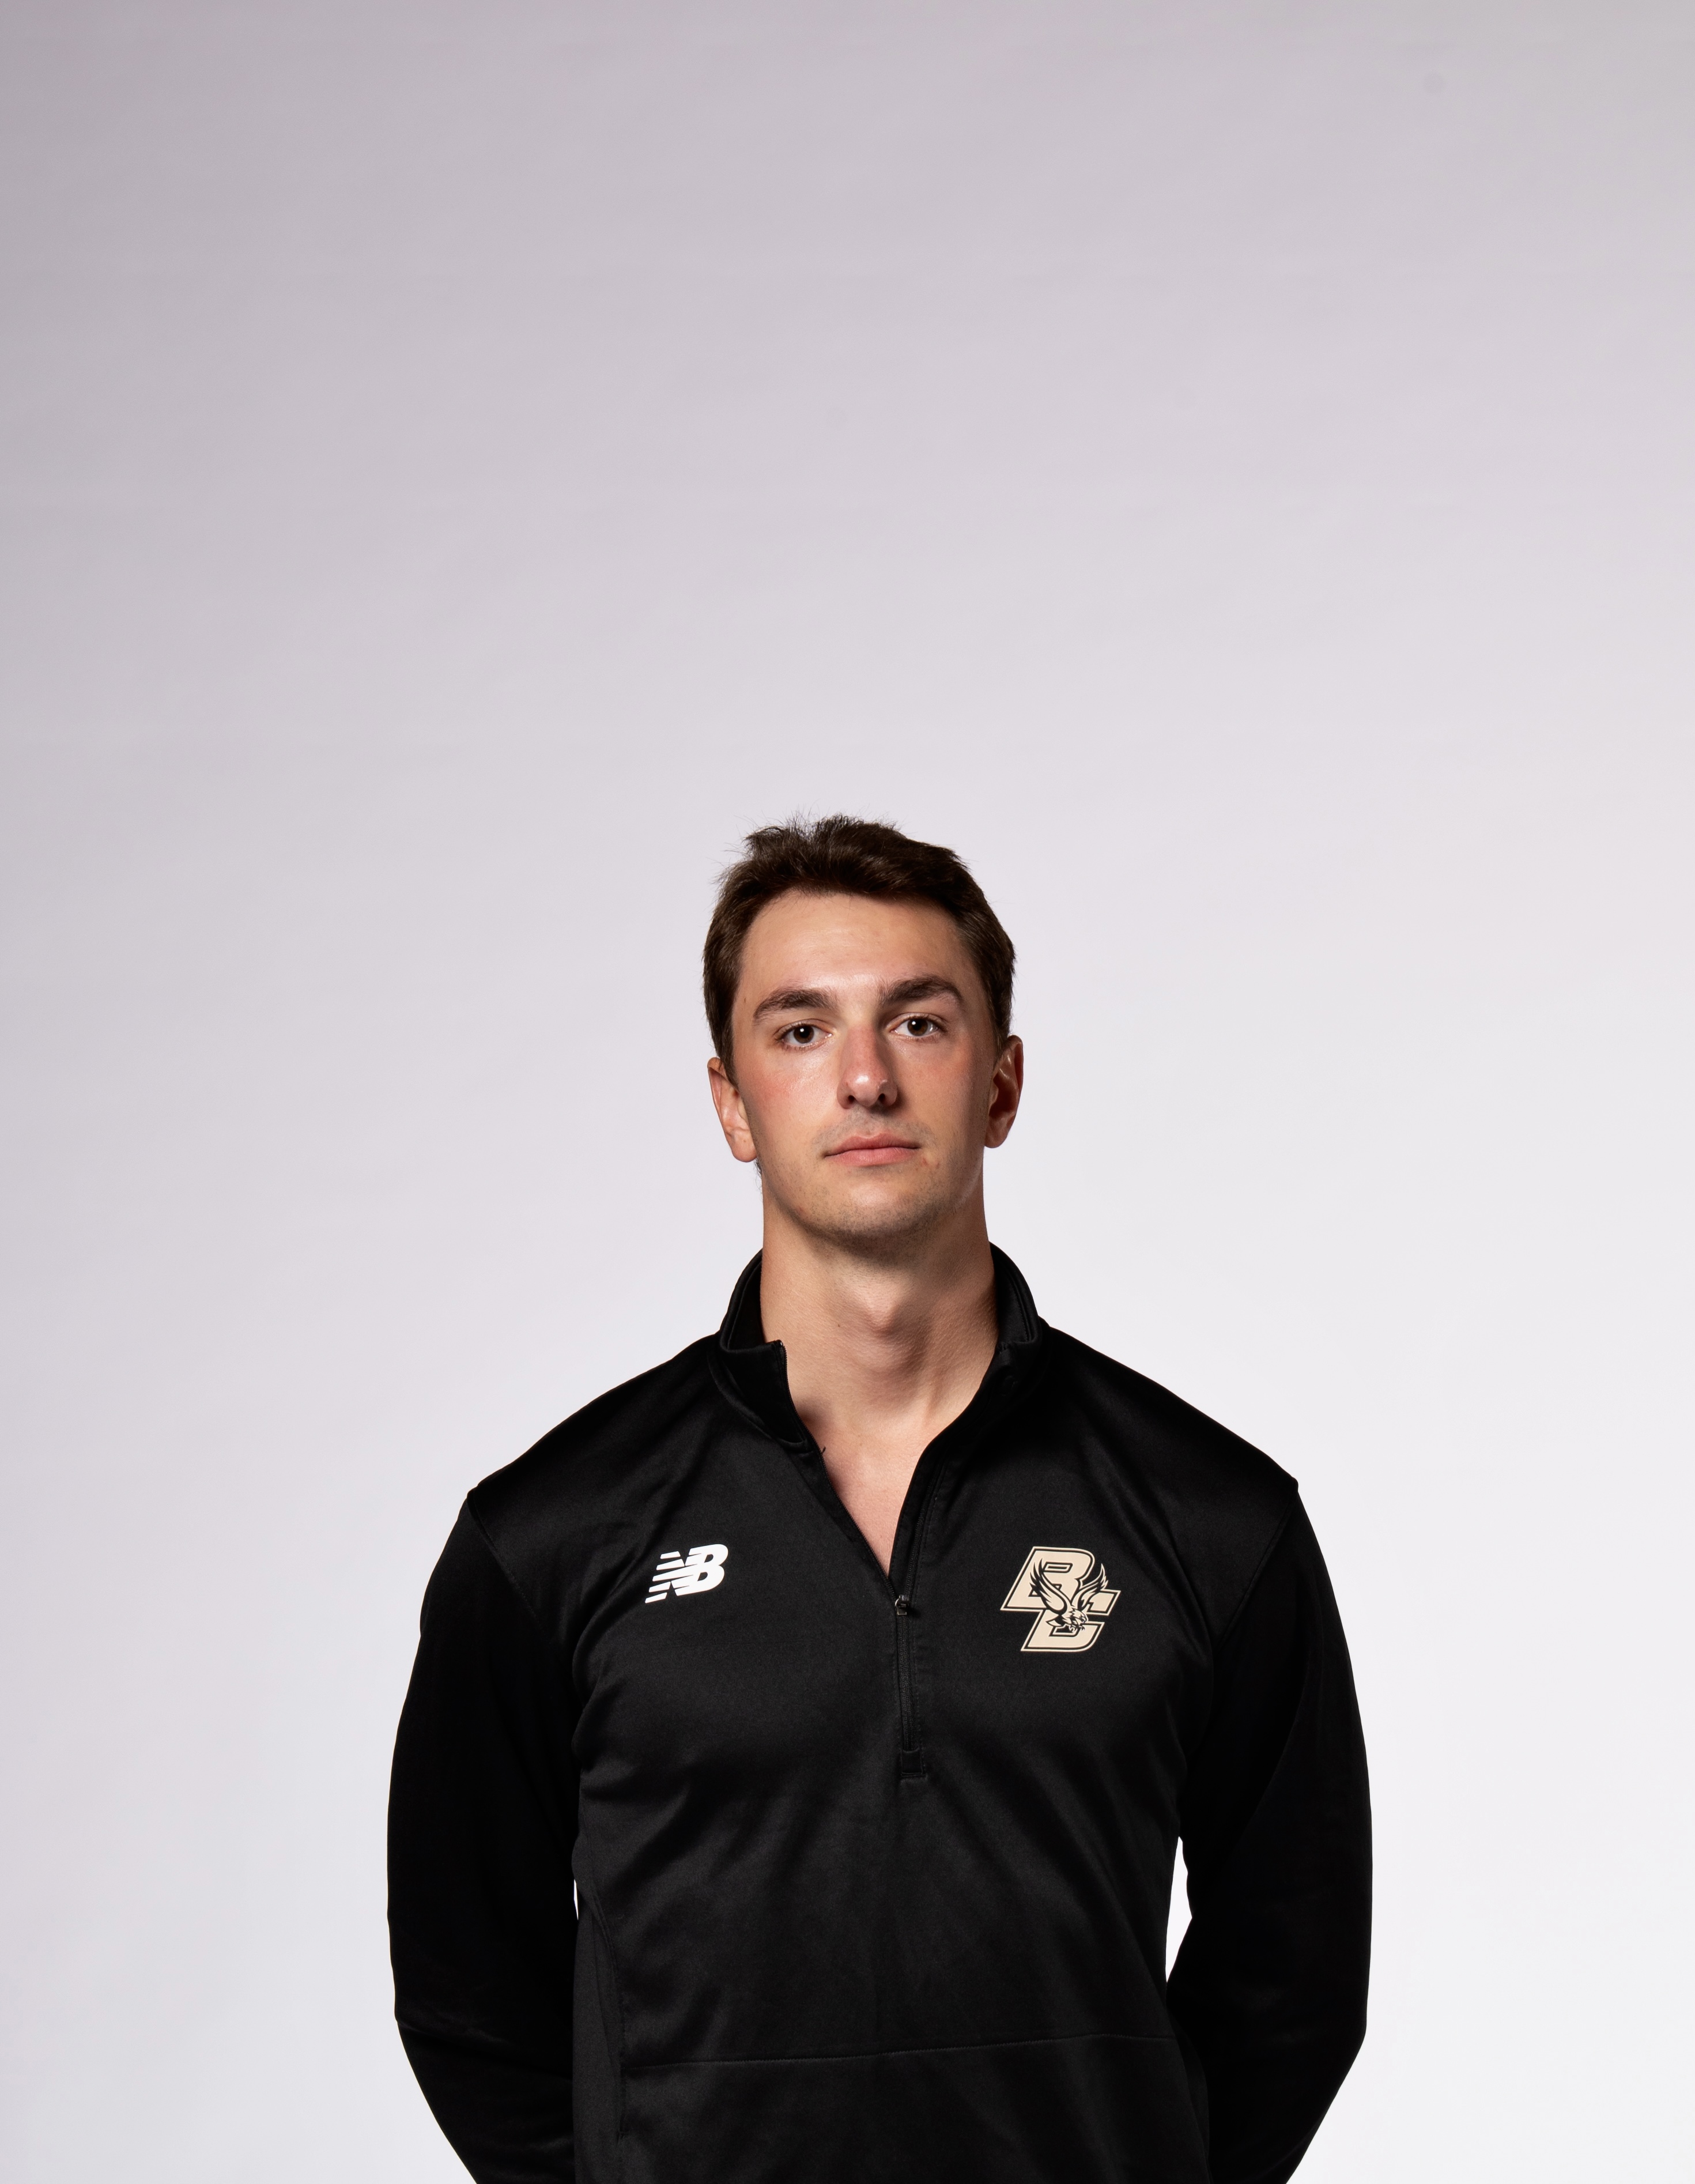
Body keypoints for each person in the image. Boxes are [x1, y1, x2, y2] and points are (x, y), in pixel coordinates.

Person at [387, 815, 1371, 2184]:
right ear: (733, 1103)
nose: (864, 1076)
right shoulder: (553, 1532)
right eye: (800, 1031)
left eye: (918, 1022)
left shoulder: (1211, 1518)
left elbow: (1294, 1976)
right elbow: (467, 1990)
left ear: (1000, 1083)